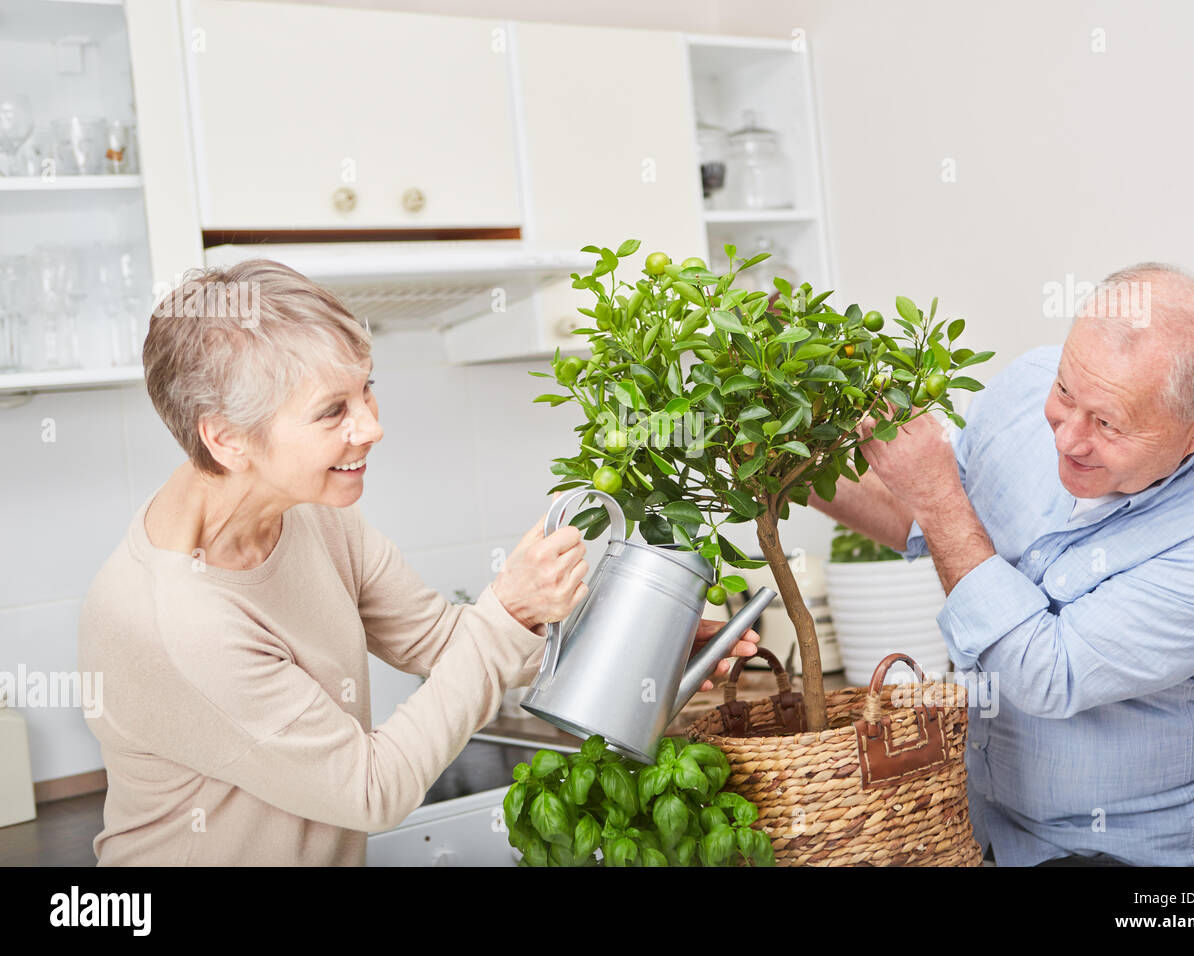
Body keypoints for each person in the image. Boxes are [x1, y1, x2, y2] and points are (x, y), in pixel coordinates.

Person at [77, 259, 756, 866]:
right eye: (332, 412)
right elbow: (372, 790)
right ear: (227, 439)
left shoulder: (312, 512)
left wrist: (637, 647)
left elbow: (441, 640)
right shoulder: (180, 621)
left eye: (366, 389)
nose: (371, 426)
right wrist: (508, 609)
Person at [812, 263, 1194, 866]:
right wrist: (784, 463)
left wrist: (936, 495)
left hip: (1114, 854)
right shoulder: (1028, 383)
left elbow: (1043, 671)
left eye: (1108, 423)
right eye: (1065, 393)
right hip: (976, 826)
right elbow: (923, 522)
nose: (1067, 439)